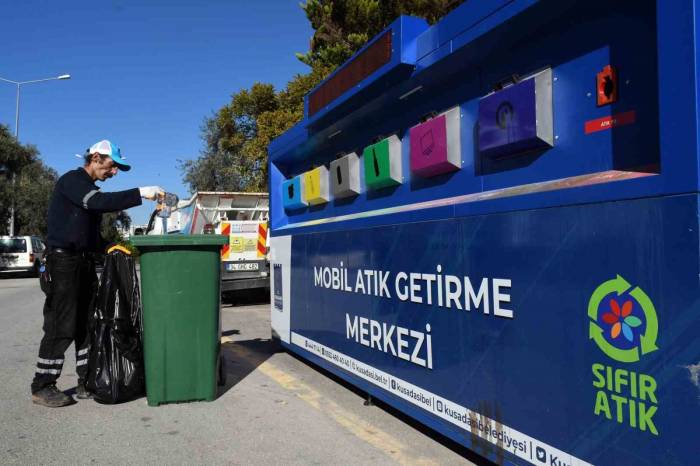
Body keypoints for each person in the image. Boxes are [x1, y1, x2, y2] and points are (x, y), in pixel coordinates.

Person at [30, 139, 164, 407]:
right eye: (112, 166)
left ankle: (87, 380)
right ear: (96, 158)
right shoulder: (73, 182)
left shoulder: (89, 189)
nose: (113, 172)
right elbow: (98, 203)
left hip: (84, 262)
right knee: (61, 324)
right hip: (63, 262)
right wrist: (141, 193)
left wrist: (111, 247)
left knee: (88, 324)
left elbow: (89, 236)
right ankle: (43, 385)